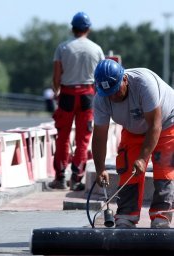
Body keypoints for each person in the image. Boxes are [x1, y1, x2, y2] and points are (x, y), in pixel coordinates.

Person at [92, 59, 174, 228]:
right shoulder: (101, 99)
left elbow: (155, 125)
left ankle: (161, 216)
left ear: (125, 79)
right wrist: (100, 169)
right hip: (133, 128)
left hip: (165, 123)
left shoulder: (144, 85)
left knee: (163, 168)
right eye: (108, 94)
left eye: (116, 91)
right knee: (128, 168)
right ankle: (126, 215)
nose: (113, 97)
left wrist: (143, 158)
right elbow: (99, 135)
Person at [48, 12, 105, 190]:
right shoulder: (96, 49)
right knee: (83, 139)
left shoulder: (63, 48)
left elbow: (56, 77)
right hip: (88, 96)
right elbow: (101, 76)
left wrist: (58, 92)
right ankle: (76, 178)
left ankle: (59, 177)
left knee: (63, 137)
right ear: (88, 29)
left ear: (73, 28)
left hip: (67, 94)